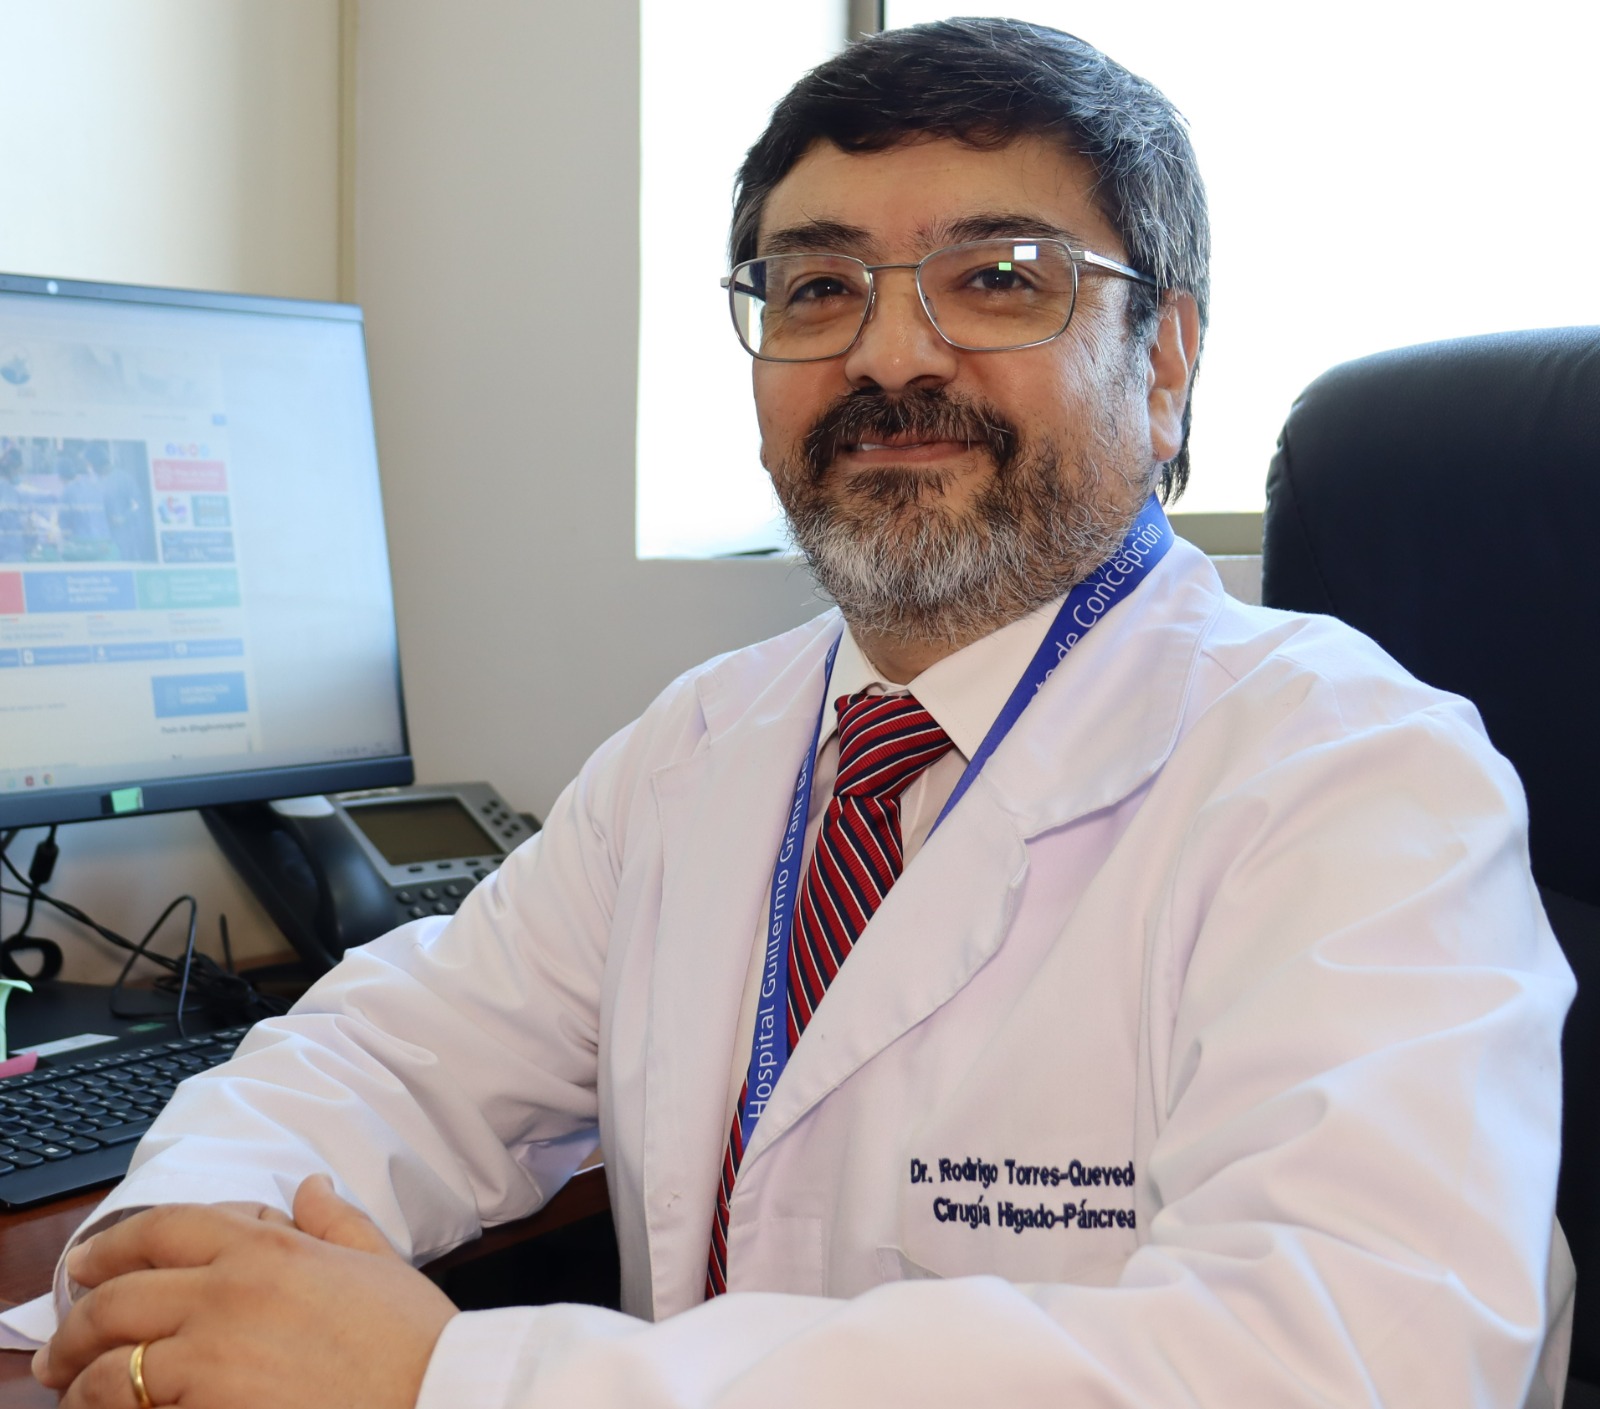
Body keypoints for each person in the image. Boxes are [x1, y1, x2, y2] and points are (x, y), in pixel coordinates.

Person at [32, 19, 1574, 1409]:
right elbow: (389, 1053)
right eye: (819, 287)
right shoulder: (702, 746)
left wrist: (453, 1377)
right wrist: (178, 1252)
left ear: (1163, 360)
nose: (890, 354)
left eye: (998, 277)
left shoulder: (1358, 782)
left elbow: (1349, 1359)